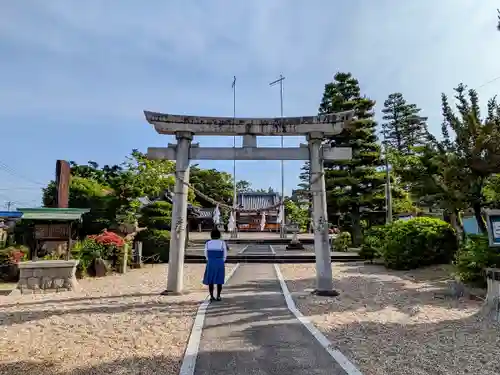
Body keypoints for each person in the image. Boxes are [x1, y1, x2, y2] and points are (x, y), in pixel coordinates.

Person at [202, 228, 228, 301]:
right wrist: (222, 260)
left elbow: (205, 253)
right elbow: (225, 254)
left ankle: (211, 296)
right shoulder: (222, 243)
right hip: (219, 261)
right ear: (219, 235)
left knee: (211, 279)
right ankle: (218, 296)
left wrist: (209, 259)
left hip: (211, 261)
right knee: (219, 280)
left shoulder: (208, 243)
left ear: (211, 235)